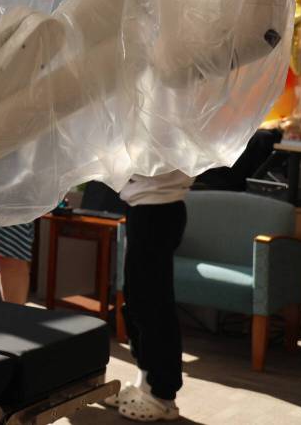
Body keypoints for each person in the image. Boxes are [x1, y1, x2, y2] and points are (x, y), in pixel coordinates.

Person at [105, 170, 190, 422]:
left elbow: (153, 162)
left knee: (153, 305)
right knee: (137, 300)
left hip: (159, 209)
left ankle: (164, 397)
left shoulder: (170, 132)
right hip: (143, 205)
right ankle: (145, 385)